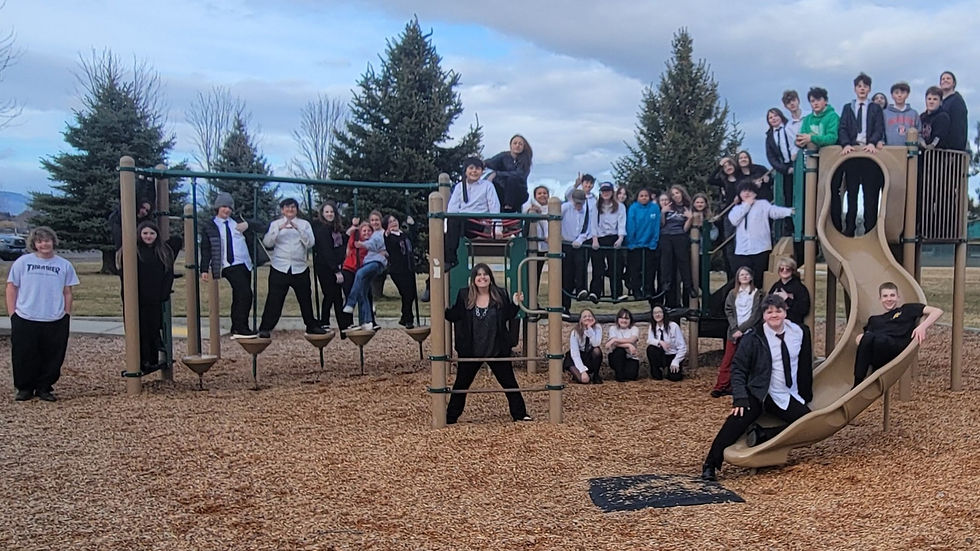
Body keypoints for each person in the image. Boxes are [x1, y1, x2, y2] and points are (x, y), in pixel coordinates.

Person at [701, 295, 813, 481]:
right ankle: (711, 463)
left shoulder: (800, 332)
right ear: (763, 316)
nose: (774, 315)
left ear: (785, 312)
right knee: (737, 419)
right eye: (769, 312)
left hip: (785, 393)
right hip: (759, 391)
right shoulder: (754, 337)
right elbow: (738, 369)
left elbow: (804, 365)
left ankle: (762, 434)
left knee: (807, 424)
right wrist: (740, 398)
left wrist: (806, 394)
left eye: (778, 311)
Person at [445, 263, 530, 424]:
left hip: (495, 348)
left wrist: (515, 303)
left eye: (485, 274)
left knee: (509, 382)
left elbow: (507, 316)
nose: (482, 277)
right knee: (461, 384)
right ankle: (451, 416)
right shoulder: (464, 295)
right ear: (473, 279)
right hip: (471, 350)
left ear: (490, 278)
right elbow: (455, 315)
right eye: (479, 275)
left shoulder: (499, 294)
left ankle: (520, 414)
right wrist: (441, 308)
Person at [6, 227, 79, 402]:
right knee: (24, 354)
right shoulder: (22, 262)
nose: (44, 244)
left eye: (47, 240)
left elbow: (67, 291)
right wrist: (12, 314)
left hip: (54, 317)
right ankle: (24, 388)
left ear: (53, 242)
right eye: (40, 241)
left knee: (52, 355)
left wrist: (66, 313)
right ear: (34, 244)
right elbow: (11, 287)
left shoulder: (64, 265)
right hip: (26, 316)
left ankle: (44, 387)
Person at [200, 192, 267, 339]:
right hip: (227, 264)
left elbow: (263, 226)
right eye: (224, 207)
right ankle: (241, 327)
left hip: (244, 263)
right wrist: (204, 268)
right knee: (245, 293)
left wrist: (248, 224)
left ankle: (237, 326)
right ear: (217, 207)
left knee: (240, 295)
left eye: (229, 207)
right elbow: (205, 248)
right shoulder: (210, 226)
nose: (227, 210)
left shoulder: (238, 222)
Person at [257, 198, 324, 338]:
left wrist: (299, 230)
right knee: (274, 300)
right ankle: (265, 327)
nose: (290, 210)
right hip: (279, 267)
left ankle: (311, 325)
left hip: (299, 267)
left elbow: (310, 243)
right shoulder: (275, 224)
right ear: (282, 210)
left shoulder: (304, 224)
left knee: (305, 299)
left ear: (296, 209)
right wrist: (278, 230)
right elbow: (267, 242)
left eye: (293, 207)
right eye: (287, 208)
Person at [853, 282, 942, 386]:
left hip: (895, 346)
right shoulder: (875, 320)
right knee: (866, 337)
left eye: (892, 295)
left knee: (872, 338)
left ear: (898, 297)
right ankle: (858, 383)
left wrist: (922, 327)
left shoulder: (907, 309)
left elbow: (937, 311)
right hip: (878, 352)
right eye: (885, 296)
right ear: (880, 299)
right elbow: (864, 342)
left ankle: (859, 382)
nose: (889, 299)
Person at [835, 72, 885, 237]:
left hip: (869, 154)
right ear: (855, 89)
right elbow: (842, 127)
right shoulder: (848, 107)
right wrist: (846, 144)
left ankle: (870, 228)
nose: (862, 89)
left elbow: (879, 128)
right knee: (852, 193)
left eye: (865, 86)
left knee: (870, 194)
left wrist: (872, 142)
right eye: (859, 86)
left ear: (869, 89)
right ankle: (850, 227)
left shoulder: (875, 108)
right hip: (852, 155)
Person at [132, 221, 182, 372]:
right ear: (139, 235)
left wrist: (164, 293)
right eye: (145, 233)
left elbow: (177, 242)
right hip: (139, 297)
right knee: (142, 330)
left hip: (156, 295)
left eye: (152, 233)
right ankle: (143, 361)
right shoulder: (134, 251)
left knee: (154, 326)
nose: (148, 236)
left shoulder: (162, 251)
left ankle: (153, 359)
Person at [728, 182, 794, 289]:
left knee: (758, 279)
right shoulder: (736, 208)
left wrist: (789, 211)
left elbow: (774, 212)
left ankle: (758, 301)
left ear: (755, 193)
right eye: (744, 191)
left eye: (750, 191)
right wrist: (747, 205)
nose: (747, 193)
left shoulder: (762, 204)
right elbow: (734, 220)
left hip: (761, 248)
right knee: (743, 279)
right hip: (742, 250)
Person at [711, 266, 763, 398]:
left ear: (751, 277)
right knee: (728, 360)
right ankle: (721, 386)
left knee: (744, 361)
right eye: (741, 275)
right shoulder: (733, 293)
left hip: (749, 332)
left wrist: (742, 329)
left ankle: (740, 387)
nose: (744, 277)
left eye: (747, 275)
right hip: (733, 332)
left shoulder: (757, 294)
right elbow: (728, 311)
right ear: (738, 278)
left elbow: (756, 315)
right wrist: (735, 328)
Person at [445, 157, 500, 269]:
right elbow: (452, 208)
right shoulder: (460, 187)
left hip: (478, 223)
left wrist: (497, 227)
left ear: (482, 171)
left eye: (478, 169)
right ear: (465, 170)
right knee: (446, 233)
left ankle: (450, 259)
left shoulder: (487, 186)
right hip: (461, 222)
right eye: (471, 168)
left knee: (455, 223)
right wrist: (446, 228)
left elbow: (494, 205)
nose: (474, 171)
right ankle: (448, 260)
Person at [342, 221, 387, 332]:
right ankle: (365, 321)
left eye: (369, 231)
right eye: (364, 231)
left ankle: (351, 304)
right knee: (362, 292)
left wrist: (384, 252)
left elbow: (378, 245)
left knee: (363, 285)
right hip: (350, 268)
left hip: (364, 269)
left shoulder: (373, 240)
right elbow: (350, 238)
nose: (366, 233)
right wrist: (354, 226)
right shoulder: (356, 240)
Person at [311, 200, 347, 330]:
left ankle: (342, 325)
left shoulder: (337, 229)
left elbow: (342, 245)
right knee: (330, 294)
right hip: (325, 266)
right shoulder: (322, 229)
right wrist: (336, 270)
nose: (329, 214)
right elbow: (326, 251)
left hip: (336, 265)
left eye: (331, 212)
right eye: (327, 212)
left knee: (337, 295)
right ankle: (325, 321)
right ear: (322, 213)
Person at [560, 189, 596, 316]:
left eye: (581, 203)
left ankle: (581, 289)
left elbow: (587, 227)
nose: (579, 205)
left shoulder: (587, 211)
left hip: (579, 243)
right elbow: (554, 221)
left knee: (581, 265)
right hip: (565, 243)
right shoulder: (564, 207)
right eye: (577, 202)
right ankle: (564, 306)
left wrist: (581, 239)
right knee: (566, 274)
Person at [589, 181, 627, 302]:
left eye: (608, 191)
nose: (606, 193)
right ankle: (595, 292)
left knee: (615, 266)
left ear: (612, 192)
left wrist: (620, 238)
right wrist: (594, 239)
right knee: (598, 266)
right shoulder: (596, 206)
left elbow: (621, 223)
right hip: (599, 238)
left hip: (614, 236)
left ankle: (616, 293)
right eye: (603, 191)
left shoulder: (620, 206)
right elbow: (593, 223)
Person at [660, 184, 697, 307]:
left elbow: (685, 229)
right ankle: (666, 284)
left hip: (680, 235)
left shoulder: (687, 207)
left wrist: (690, 218)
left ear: (682, 193)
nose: (676, 196)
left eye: (677, 193)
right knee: (667, 260)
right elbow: (662, 224)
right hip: (666, 235)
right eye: (673, 194)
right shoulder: (669, 207)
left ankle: (689, 286)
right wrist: (662, 212)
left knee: (683, 261)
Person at [625, 187, 661, 299]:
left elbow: (656, 226)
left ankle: (648, 290)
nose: (644, 197)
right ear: (637, 197)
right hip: (635, 246)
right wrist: (631, 242)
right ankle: (636, 291)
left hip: (650, 245)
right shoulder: (633, 208)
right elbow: (631, 225)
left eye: (646, 195)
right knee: (635, 270)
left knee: (649, 270)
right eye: (641, 195)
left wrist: (653, 242)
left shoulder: (655, 208)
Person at [383, 213, 418, 328]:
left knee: (411, 294)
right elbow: (389, 244)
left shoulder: (403, 235)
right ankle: (409, 319)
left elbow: (413, 239)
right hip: (397, 270)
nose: (394, 223)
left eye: (395, 220)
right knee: (406, 293)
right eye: (390, 221)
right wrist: (387, 233)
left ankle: (404, 317)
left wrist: (412, 225)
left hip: (408, 268)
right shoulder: (390, 237)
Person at [485, 134, 533, 213]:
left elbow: (519, 175)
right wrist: (479, 163)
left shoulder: (525, 160)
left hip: (518, 192)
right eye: (515, 143)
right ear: (510, 145)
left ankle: (509, 207)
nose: (517, 146)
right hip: (502, 190)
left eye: (520, 144)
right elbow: (490, 162)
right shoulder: (504, 156)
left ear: (524, 147)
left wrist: (497, 174)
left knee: (512, 179)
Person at [646, 304, 687, 381]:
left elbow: (682, 347)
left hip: (672, 355)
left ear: (664, 314)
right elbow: (649, 340)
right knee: (650, 349)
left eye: (660, 312)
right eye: (655, 313)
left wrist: (676, 361)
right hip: (660, 354)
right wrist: (660, 342)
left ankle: (670, 370)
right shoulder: (652, 326)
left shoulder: (673, 326)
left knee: (675, 378)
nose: (657, 315)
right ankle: (657, 372)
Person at [768, 257, 810, 327]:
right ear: (778, 271)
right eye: (781, 269)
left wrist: (787, 299)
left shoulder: (799, 288)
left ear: (792, 270)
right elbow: (766, 306)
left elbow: (804, 309)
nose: (784, 271)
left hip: (793, 324)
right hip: (775, 323)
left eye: (788, 269)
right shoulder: (775, 286)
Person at [523, 185, 550, 291]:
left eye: (545, 193)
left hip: (543, 246)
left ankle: (534, 298)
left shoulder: (551, 208)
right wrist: (531, 209)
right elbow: (524, 212)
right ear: (535, 196)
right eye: (539, 193)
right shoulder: (530, 206)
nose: (542, 195)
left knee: (537, 273)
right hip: (530, 245)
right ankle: (527, 298)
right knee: (528, 273)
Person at [563, 308, 602, 384]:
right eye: (584, 317)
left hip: (589, 355)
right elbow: (575, 354)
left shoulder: (597, 328)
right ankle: (578, 373)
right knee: (585, 380)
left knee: (597, 351)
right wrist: (582, 371)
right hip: (576, 357)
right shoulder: (575, 332)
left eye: (590, 316)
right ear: (580, 320)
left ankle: (596, 375)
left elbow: (596, 344)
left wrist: (589, 328)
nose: (588, 318)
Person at [605, 308, 640, 382]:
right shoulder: (613, 328)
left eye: (626, 318)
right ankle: (619, 375)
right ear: (617, 319)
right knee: (620, 351)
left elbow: (632, 340)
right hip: (616, 356)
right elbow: (615, 344)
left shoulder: (634, 328)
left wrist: (614, 340)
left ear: (630, 320)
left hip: (631, 357)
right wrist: (629, 345)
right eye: (621, 318)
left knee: (631, 376)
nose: (624, 320)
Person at [882, 82, 921, 146]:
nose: (899, 95)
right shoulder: (885, 113)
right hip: (889, 149)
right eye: (896, 93)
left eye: (902, 93)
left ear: (907, 95)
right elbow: (881, 131)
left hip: (909, 150)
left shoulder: (914, 113)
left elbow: (919, 132)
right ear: (892, 95)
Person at [938, 71, 968, 152]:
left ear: (954, 83)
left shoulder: (957, 101)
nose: (945, 80)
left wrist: (956, 148)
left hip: (952, 150)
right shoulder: (939, 102)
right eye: (943, 79)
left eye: (948, 78)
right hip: (939, 150)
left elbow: (959, 127)